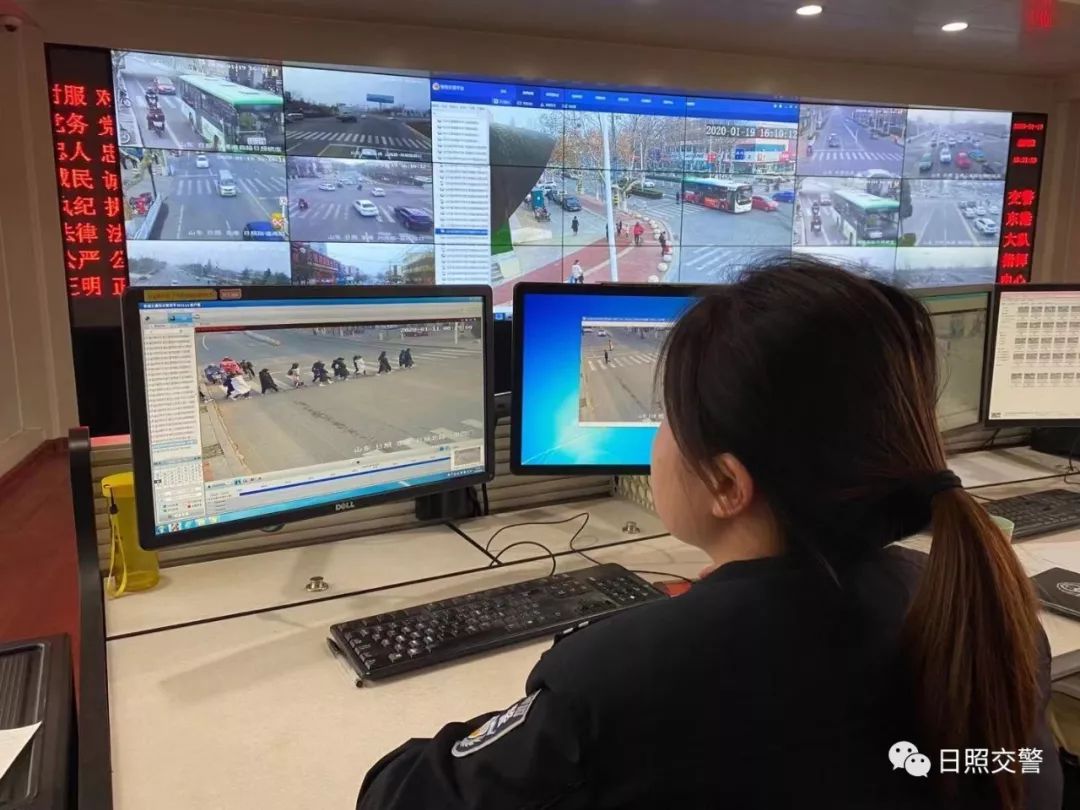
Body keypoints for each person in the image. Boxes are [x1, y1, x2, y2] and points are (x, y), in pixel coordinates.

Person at [355, 257, 1062, 810]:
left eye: (668, 416)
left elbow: (401, 797)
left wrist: (548, 717)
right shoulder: (985, 613)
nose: (657, 438)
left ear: (727, 484)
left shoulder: (621, 678)